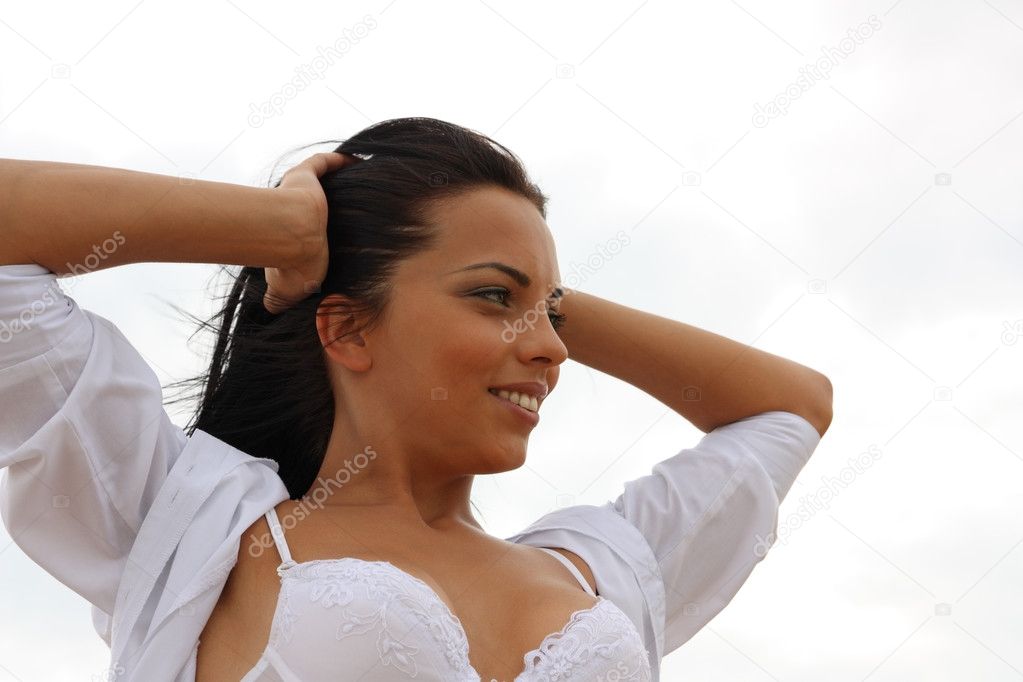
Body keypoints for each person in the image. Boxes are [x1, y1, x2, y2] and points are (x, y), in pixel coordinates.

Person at [0, 117, 832, 681]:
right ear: (349, 330)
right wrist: (285, 230)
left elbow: (791, 405)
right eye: (491, 300)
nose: (550, 349)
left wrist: (533, 291)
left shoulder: (599, 570)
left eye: (552, 314)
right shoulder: (194, 526)